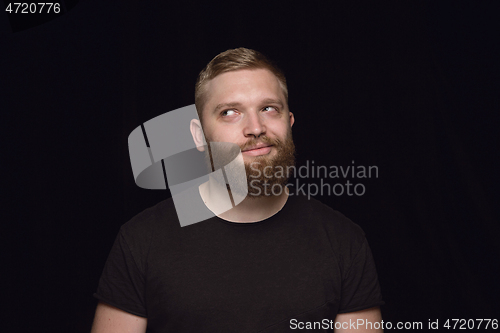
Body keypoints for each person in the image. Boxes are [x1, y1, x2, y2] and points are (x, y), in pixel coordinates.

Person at [91, 48, 384, 332]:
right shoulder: (141, 241)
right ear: (198, 134)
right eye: (230, 112)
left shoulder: (343, 241)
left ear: (289, 122)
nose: (255, 128)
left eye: (269, 108)